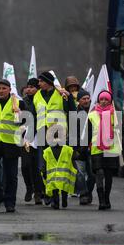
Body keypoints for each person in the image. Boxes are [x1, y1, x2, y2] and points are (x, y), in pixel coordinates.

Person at [30, 71, 77, 205]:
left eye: (41, 81)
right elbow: (33, 116)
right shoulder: (37, 96)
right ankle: (49, 191)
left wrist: (68, 98)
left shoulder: (60, 93)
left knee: (59, 164)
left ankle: (59, 193)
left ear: (48, 82)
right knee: (44, 165)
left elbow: (72, 111)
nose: (39, 84)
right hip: (42, 133)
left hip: (58, 133)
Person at [0, 79, 26, 213]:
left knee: (11, 175)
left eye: (4, 88)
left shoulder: (18, 103)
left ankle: (10, 202)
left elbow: (27, 121)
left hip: (11, 143)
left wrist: (20, 117)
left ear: (9, 90)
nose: (1, 91)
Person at [88, 91, 120, 210]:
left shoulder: (115, 115)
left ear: (110, 101)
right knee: (99, 173)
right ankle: (101, 200)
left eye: (106, 99)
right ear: (98, 100)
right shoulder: (91, 115)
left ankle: (107, 199)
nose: (103, 101)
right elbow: (88, 132)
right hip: (96, 148)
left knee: (108, 175)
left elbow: (119, 131)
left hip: (111, 148)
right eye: (101, 99)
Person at [42, 126, 78, 210]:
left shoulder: (47, 151)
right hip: (65, 176)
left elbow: (44, 165)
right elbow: (75, 157)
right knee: (64, 188)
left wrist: (44, 173)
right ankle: (64, 200)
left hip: (53, 177)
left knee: (55, 190)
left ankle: (56, 203)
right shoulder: (68, 150)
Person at [21, 78, 43, 204]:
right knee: (25, 165)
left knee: (36, 166)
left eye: (32, 87)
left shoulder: (40, 101)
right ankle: (29, 187)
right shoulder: (23, 102)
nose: (29, 89)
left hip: (39, 135)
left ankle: (38, 192)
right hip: (26, 137)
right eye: (28, 86)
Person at [75, 89, 95, 205]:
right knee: (80, 174)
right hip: (79, 149)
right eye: (84, 99)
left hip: (92, 148)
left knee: (92, 174)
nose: (86, 101)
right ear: (79, 101)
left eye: (88, 98)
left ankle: (88, 191)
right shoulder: (74, 114)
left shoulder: (94, 113)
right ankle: (83, 194)